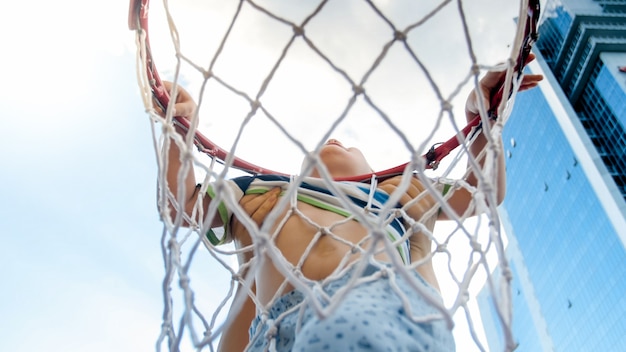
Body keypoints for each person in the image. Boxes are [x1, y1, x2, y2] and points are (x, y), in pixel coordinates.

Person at [161, 56, 543, 351]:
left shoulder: (396, 192)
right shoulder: (261, 192)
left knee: (347, 334)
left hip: (381, 304)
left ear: (373, 171)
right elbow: (179, 207)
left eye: (347, 144)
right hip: (277, 328)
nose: (332, 142)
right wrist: (180, 128)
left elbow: (483, 192)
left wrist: (482, 123)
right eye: (319, 148)